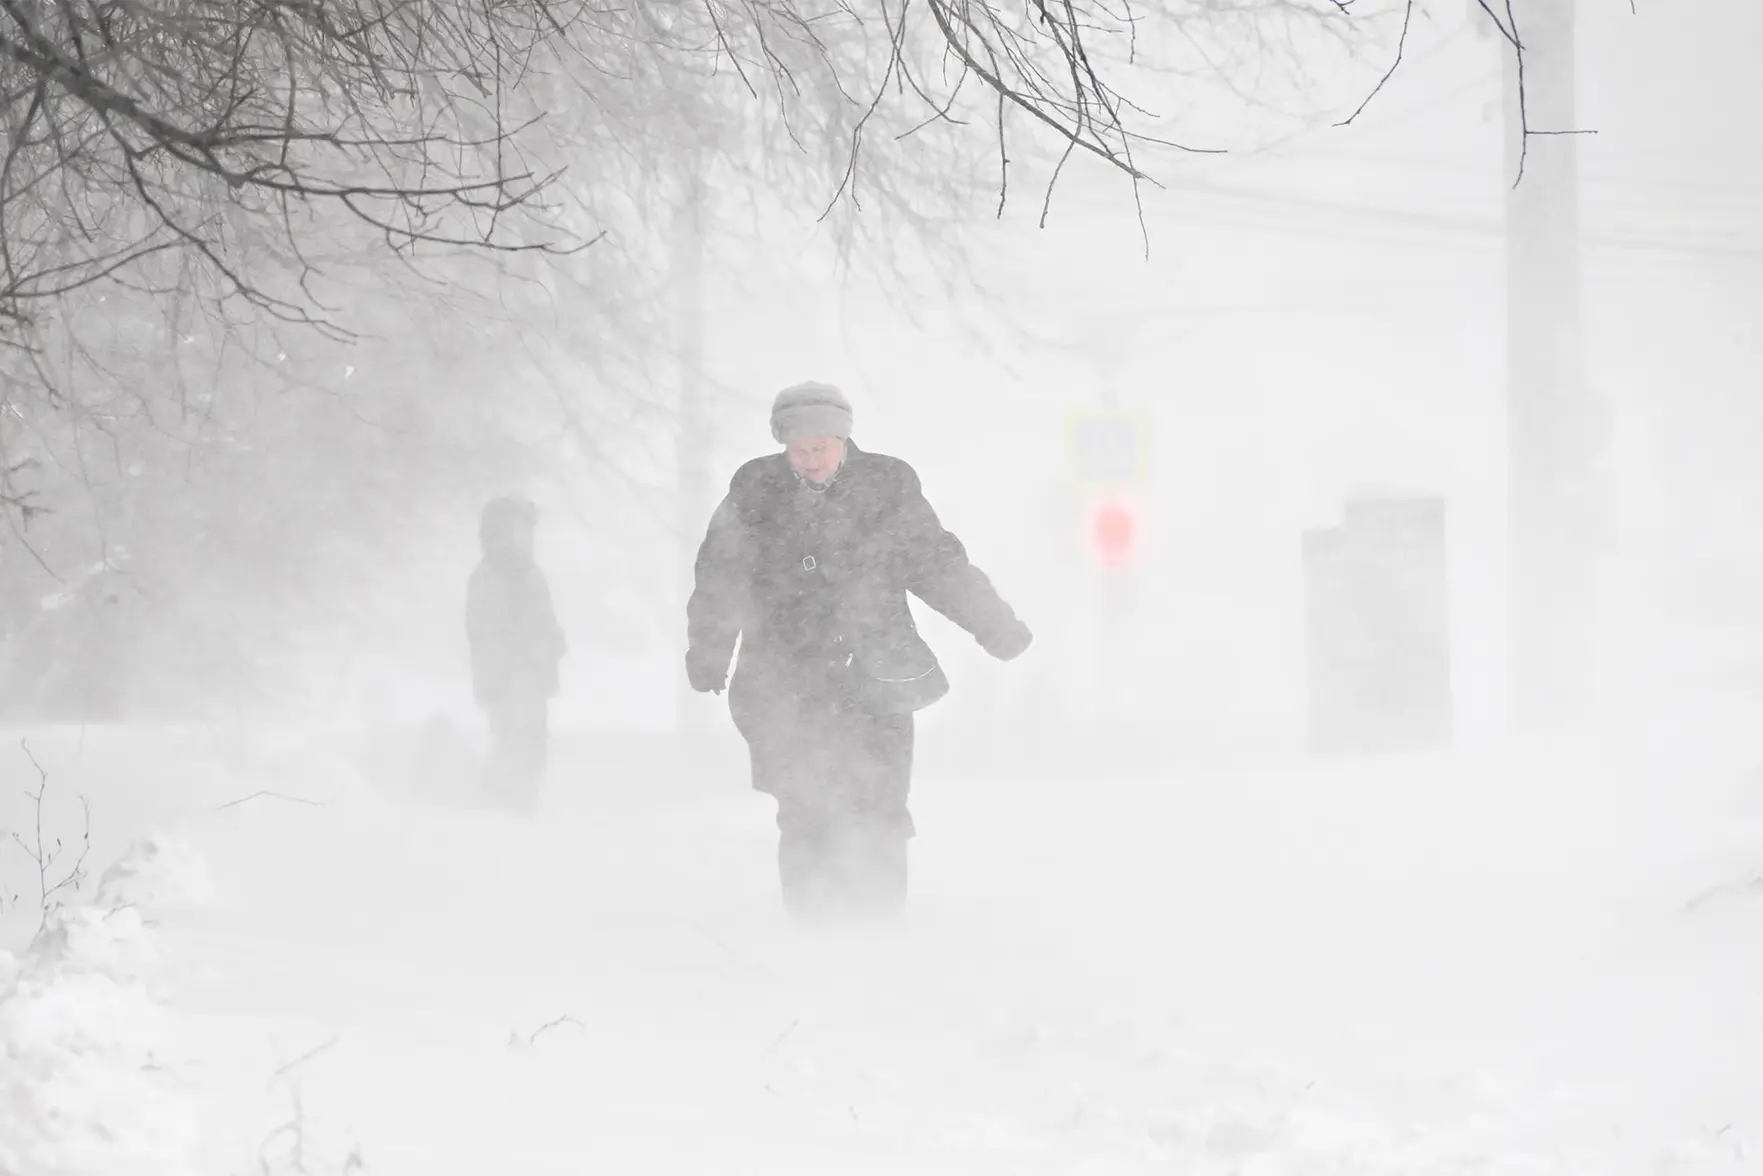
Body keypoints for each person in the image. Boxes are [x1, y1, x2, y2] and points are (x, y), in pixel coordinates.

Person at [684, 382, 1032, 923]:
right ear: (783, 445)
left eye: (821, 445)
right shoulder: (755, 489)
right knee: (805, 811)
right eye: (799, 448)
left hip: (879, 680)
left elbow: (936, 563)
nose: (811, 458)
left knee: (879, 808)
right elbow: (719, 578)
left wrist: (994, 625)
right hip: (785, 682)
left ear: (844, 437)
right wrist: (708, 653)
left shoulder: (887, 485)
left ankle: (876, 929)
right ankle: (814, 929)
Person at [466, 495, 566, 812]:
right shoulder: (490, 578)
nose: (526, 537)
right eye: (518, 529)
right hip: (508, 675)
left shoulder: (531, 575)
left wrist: (553, 642)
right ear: (499, 533)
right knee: (514, 739)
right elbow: (486, 631)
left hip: (531, 673)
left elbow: (544, 619)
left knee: (533, 740)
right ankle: (502, 801)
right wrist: (520, 655)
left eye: (528, 530)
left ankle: (519, 801)